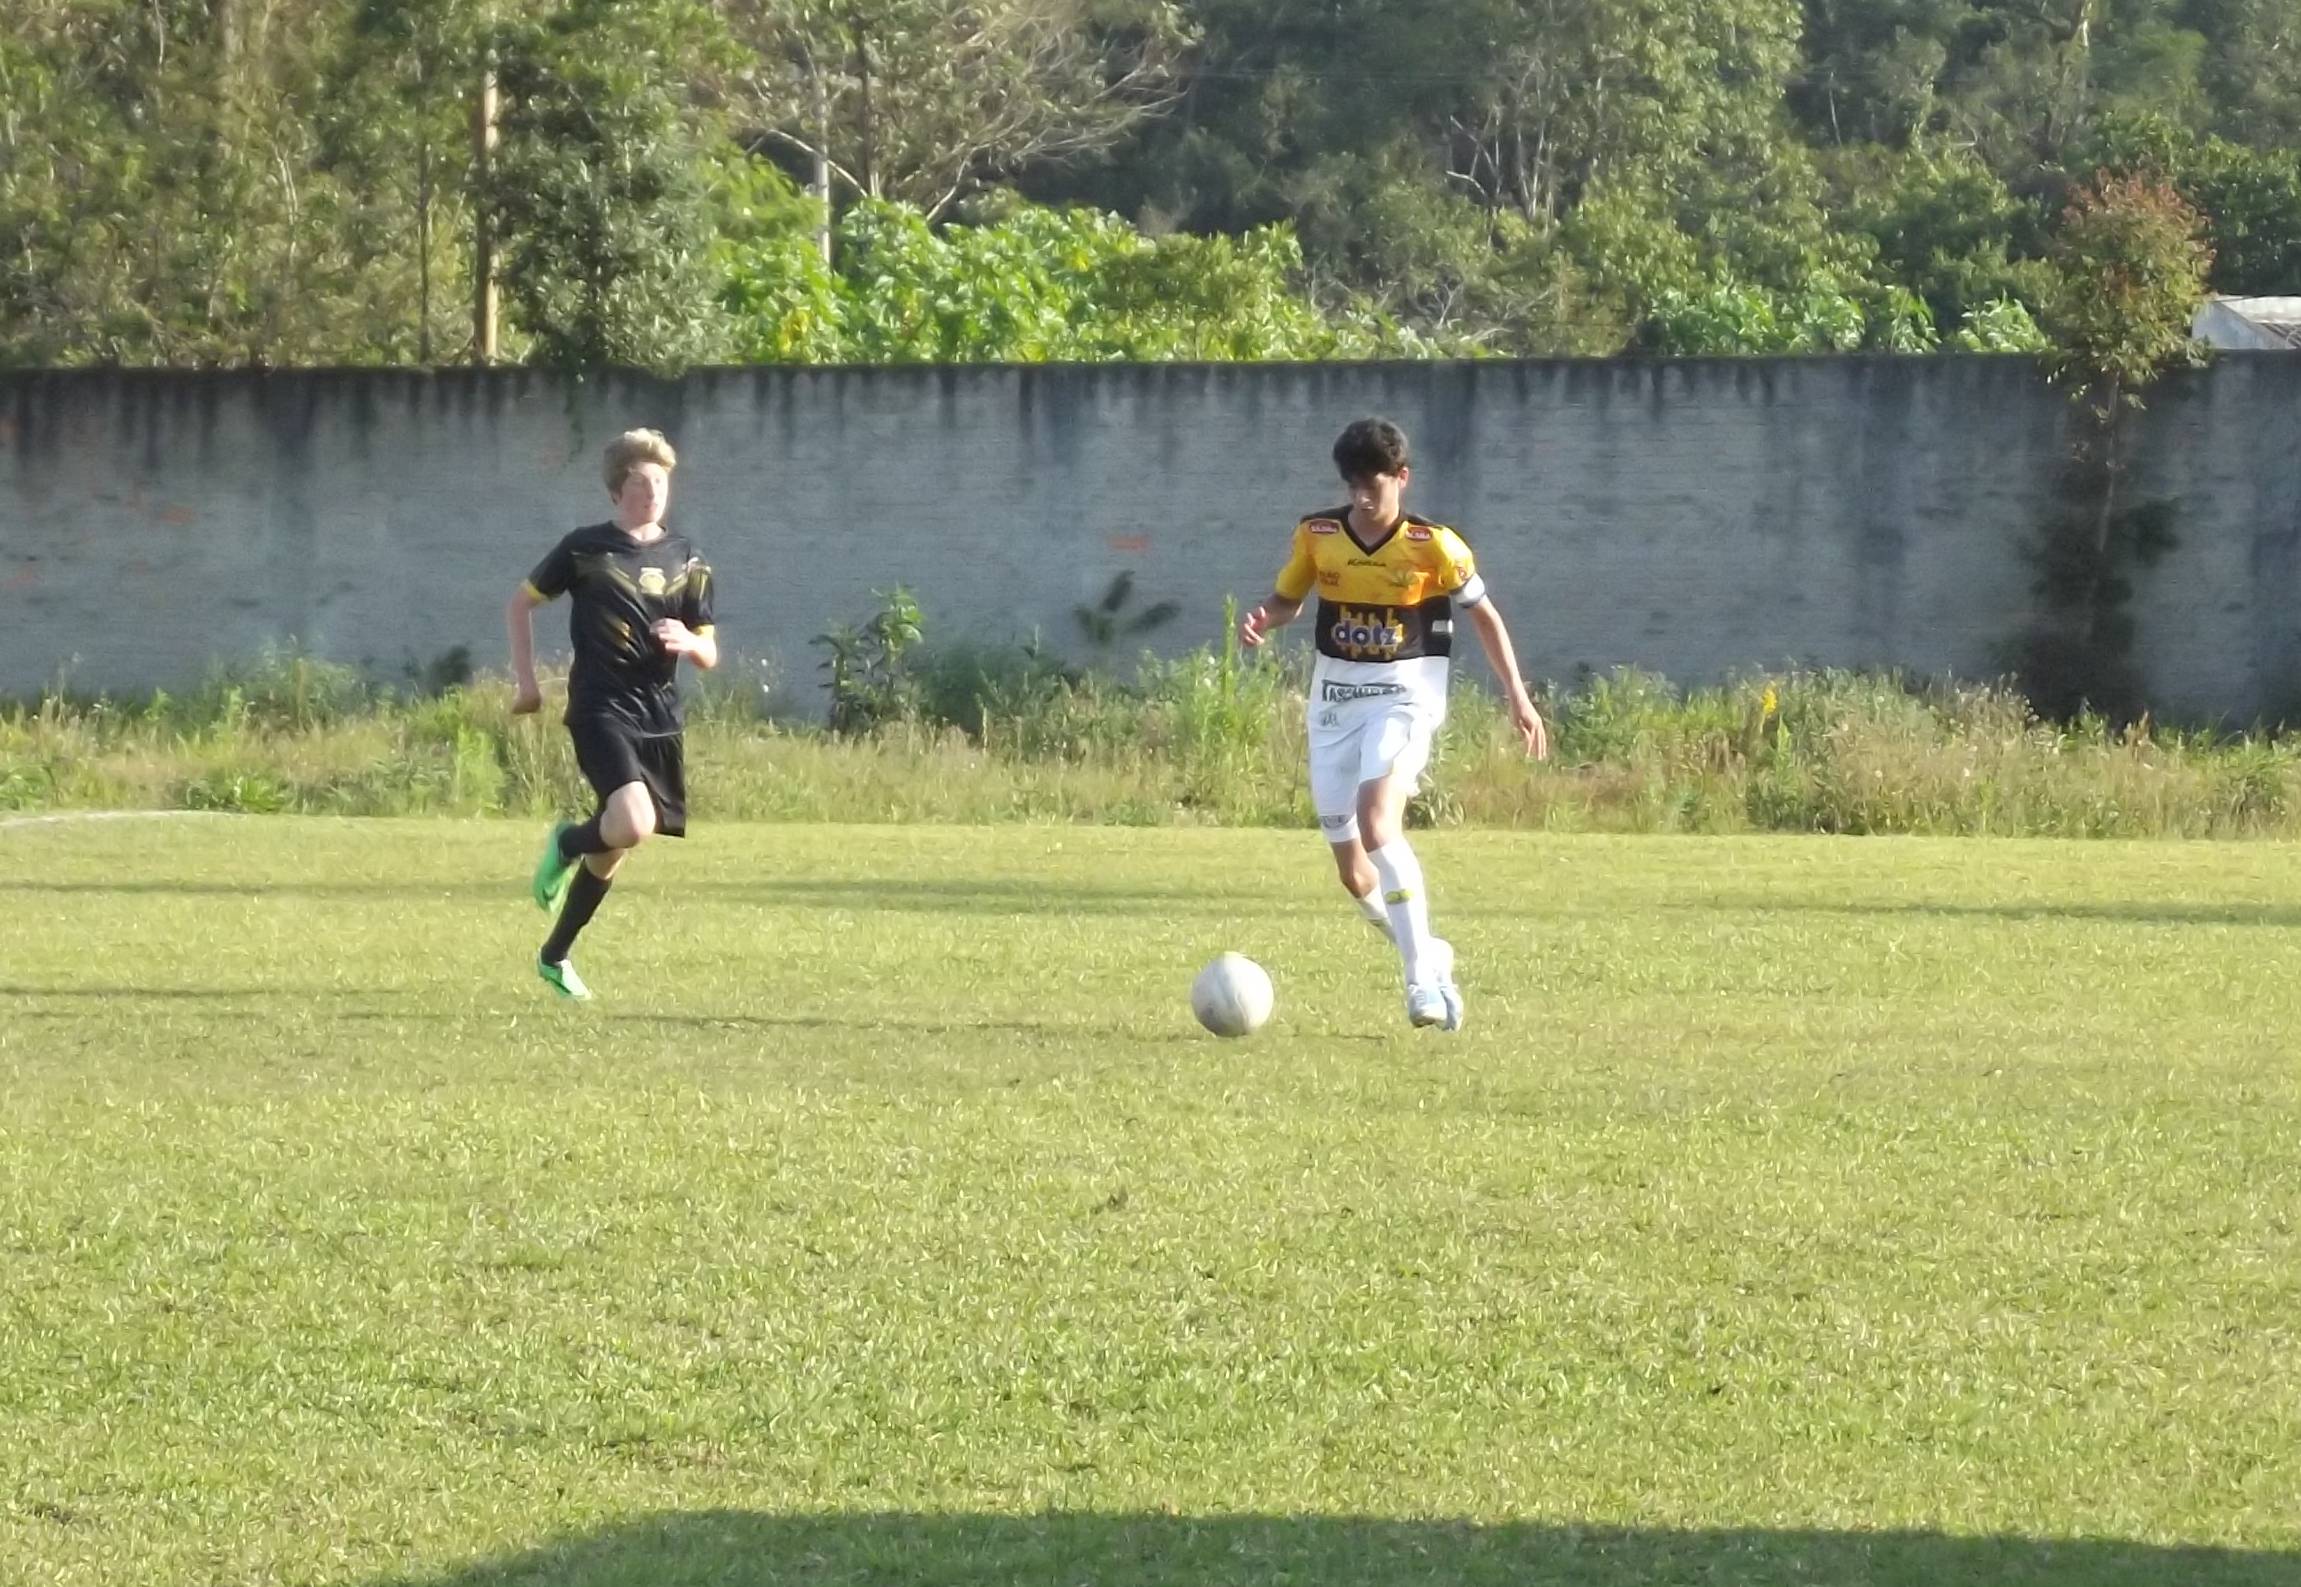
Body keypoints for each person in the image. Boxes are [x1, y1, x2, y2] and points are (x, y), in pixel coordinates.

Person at [1237, 416, 1547, 1031]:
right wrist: (1265, 618)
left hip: (1405, 696)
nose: (1361, 498)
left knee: (1379, 821)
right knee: (1355, 874)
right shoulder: (1319, 535)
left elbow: (1485, 615)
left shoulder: (1435, 546)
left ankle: (1419, 982)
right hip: (1334, 705)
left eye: (1372, 485)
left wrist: (1517, 693)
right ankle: (1428, 952)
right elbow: (1289, 600)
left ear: (1401, 478)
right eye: (1352, 485)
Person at [507, 428, 718, 1000]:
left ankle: (554, 956)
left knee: (616, 846)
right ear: (617, 490)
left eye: (661, 483)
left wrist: (689, 642)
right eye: (641, 483)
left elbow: (709, 651)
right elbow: (521, 604)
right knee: (630, 823)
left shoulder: (688, 558)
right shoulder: (586, 549)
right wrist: (527, 683)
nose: (653, 492)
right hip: (600, 706)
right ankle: (566, 842)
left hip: (659, 716)